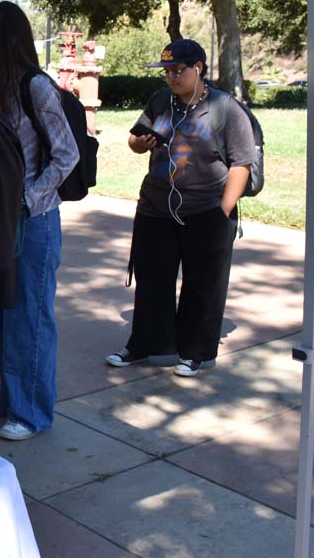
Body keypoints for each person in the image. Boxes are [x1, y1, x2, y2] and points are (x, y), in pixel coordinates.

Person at [104, 39, 253, 377]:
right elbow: (133, 141)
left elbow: (241, 163)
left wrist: (223, 210)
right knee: (152, 280)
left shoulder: (224, 107)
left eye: (177, 70)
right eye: (166, 71)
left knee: (203, 285)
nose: (171, 77)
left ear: (198, 68)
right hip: (156, 207)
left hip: (206, 209)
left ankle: (194, 352)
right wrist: (139, 143)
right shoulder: (161, 100)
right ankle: (145, 345)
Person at [0, 2, 78, 440]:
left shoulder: (37, 87)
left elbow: (66, 153)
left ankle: (31, 410)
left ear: (7, 38)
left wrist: (28, 200)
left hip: (34, 223)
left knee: (28, 318)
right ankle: (10, 393)